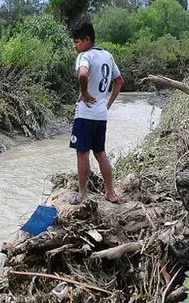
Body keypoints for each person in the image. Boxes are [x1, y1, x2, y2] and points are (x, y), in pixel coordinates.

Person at [69, 20, 124, 204]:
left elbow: (83, 74)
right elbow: (119, 81)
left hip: (85, 114)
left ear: (87, 40)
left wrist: (84, 93)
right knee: (100, 152)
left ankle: (82, 194)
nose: (75, 46)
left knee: (82, 153)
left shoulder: (85, 56)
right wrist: (107, 103)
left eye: (77, 41)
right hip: (101, 114)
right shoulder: (107, 55)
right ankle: (111, 193)